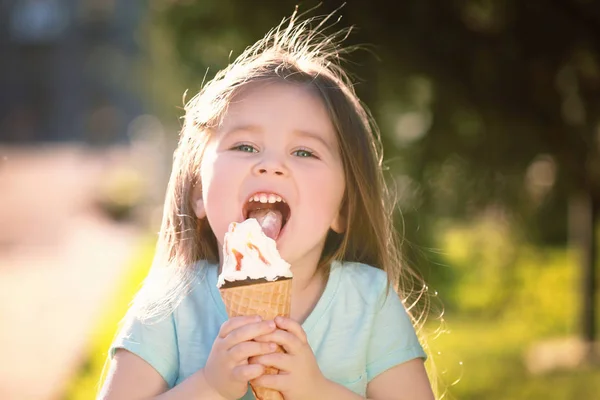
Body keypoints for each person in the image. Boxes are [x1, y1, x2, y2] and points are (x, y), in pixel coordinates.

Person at [99, 9, 435, 400]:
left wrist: (316, 392)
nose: (271, 165)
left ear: (343, 209)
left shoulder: (368, 302)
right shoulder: (171, 306)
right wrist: (209, 386)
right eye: (245, 146)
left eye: (304, 152)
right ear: (197, 192)